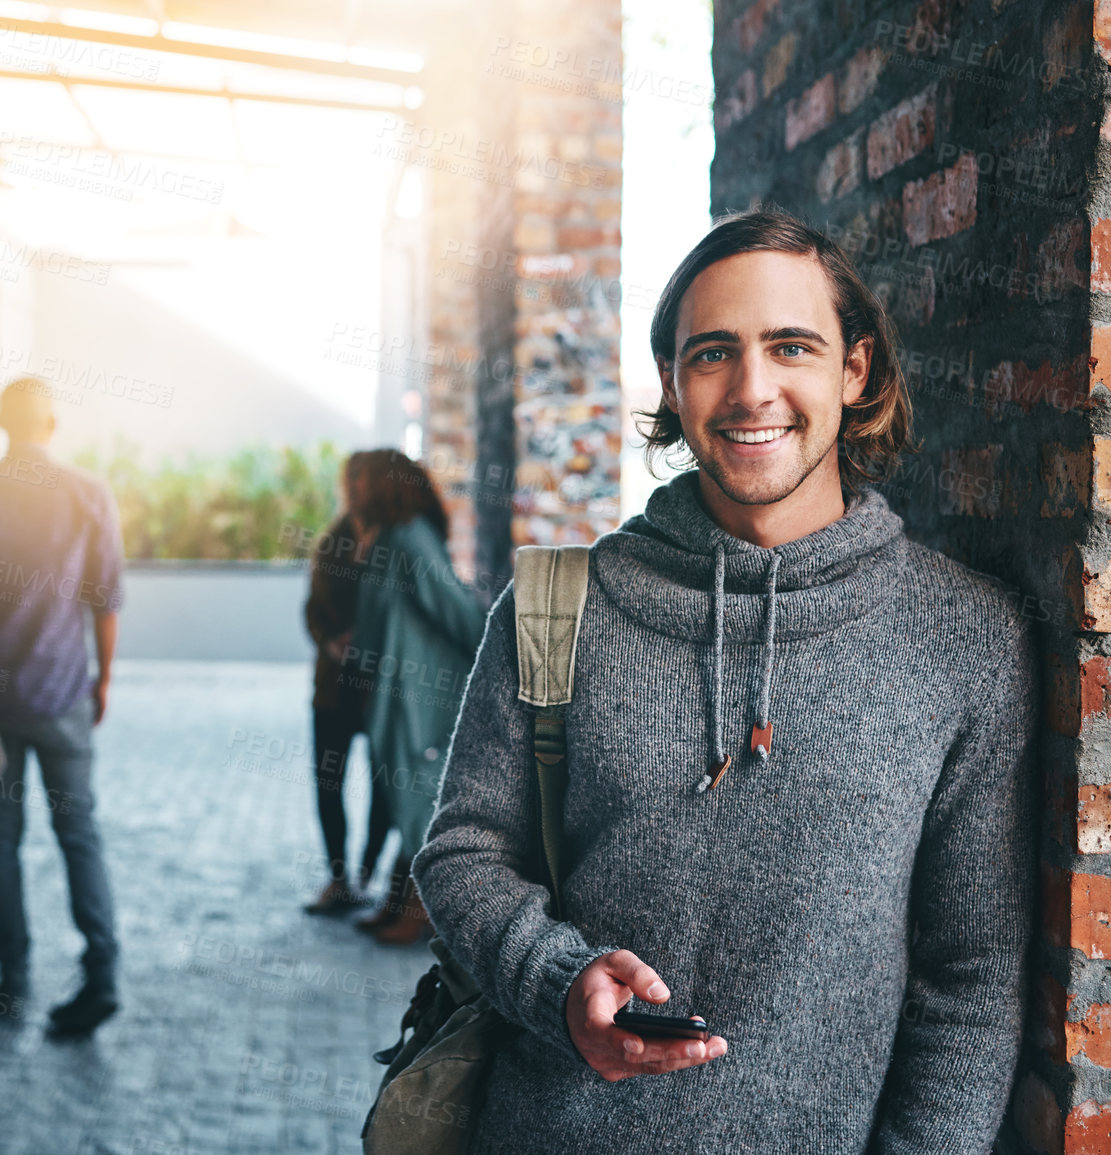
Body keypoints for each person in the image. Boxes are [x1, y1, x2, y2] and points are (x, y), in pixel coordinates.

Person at [412, 210, 1036, 1152]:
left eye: (791, 346)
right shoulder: (555, 607)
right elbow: (461, 852)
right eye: (712, 354)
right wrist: (557, 981)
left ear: (852, 370)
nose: (752, 391)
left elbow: (970, 975)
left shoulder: (965, 641)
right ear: (671, 381)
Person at [0, 378, 126, 1037]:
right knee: (79, 835)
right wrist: (102, 679)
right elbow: (106, 598)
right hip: (65, 692)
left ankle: (12, 978)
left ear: (0, 421)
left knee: (0, 839)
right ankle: (101, 973)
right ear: (50, 422)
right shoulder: (87, 491)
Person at [348, 450, 486, 946]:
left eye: (360, 481)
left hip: (419, 698)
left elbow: (458, 613)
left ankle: (422, 908)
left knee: (414, 797)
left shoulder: (409, 538)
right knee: (398, 793)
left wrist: (495, 665)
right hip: (391, 695)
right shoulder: (387, 537)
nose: (352, 491)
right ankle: (398, 895)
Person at [300, 453, 392, 915]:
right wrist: (331, 643)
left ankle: (368, 872)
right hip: (333, 688)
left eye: (363, 481)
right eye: (350, 480)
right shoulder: (331, 541)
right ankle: (338, 878)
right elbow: (311, 609)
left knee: (385, 786)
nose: (355, 489)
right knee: (328, 781)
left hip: (379, 691)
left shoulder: (395, 543)